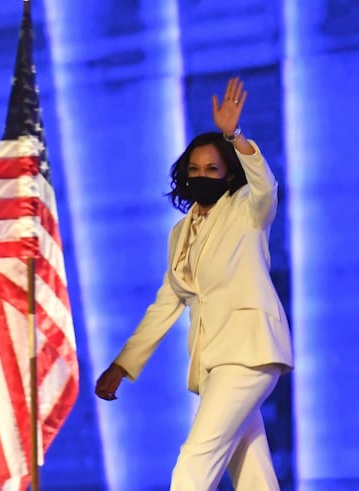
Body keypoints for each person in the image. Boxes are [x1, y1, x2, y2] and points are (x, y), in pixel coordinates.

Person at [95, 77, 293, 490]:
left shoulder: (246, 210)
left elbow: (266, 187)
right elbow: (166, 304)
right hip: (214, 361)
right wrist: (123, 363)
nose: (202, 175)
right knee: (253, 474)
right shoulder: (180, 233)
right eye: (195, 169)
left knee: (195, 461)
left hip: (248, 353)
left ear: (228, 174)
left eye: (212, 169)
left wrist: (234, 135)